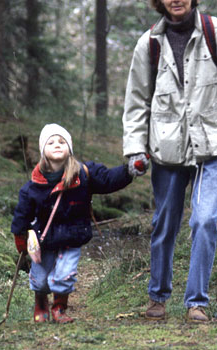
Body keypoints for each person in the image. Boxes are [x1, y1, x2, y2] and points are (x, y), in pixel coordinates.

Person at [121, 0, 217, 323]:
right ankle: (157, 297)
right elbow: (136, 102)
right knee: (165, 223)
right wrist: (135, 149)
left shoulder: (216, 33)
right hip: (167, 152)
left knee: (204, 220)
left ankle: (196, 302)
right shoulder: (148, 45)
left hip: (212, 147)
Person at [11, 123, 132, 323]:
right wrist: (21, 238)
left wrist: (130, 170)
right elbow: (22, 215)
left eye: (62, 141)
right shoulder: (33, 185)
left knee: (64, 276)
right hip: (44, 240)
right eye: (51, 142)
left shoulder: (83, 174)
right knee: (40, 281)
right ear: (43, 151)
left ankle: (59, 308)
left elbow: (109, 179)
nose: (57, 145)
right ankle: (41, 301)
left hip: (72, 236)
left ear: (70, 148)